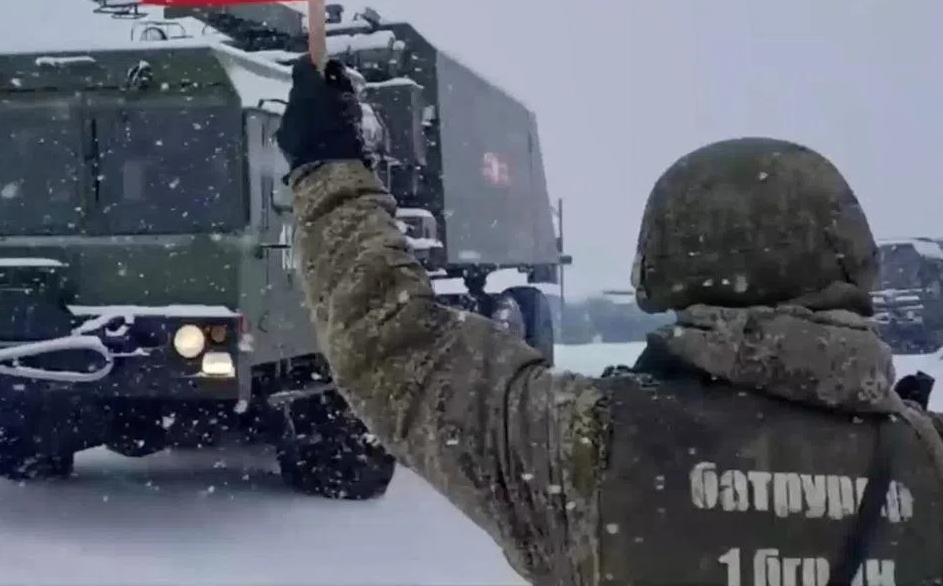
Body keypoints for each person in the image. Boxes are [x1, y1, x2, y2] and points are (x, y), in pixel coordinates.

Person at [275, 55, 943, 586]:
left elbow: (391, 340)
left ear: (667, 265)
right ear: (852, 259)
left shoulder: (585, 443)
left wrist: (328, 165)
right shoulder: (929, 460)